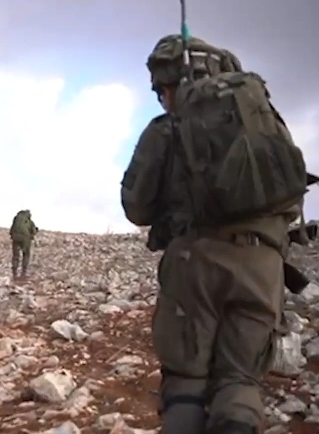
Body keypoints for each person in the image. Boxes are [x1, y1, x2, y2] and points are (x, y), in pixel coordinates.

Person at [120, 35, 306, 434]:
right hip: (262, 268)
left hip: (195, 266)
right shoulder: (263, 121)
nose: (162, 99)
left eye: (161, 90)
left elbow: (136, 208)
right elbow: (289, 194)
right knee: (240, 381)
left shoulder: (166, 129)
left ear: (170, 84)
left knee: (186, 383)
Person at [9, 210, 38, 279]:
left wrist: (13, 236)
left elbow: (11, 231)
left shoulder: (16, 220)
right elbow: (33, 231)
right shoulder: (30, 222)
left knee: (16, 256)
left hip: (16, 238)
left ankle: (14, 273)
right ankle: (23, 273)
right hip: (25, 240)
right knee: (26, 255)